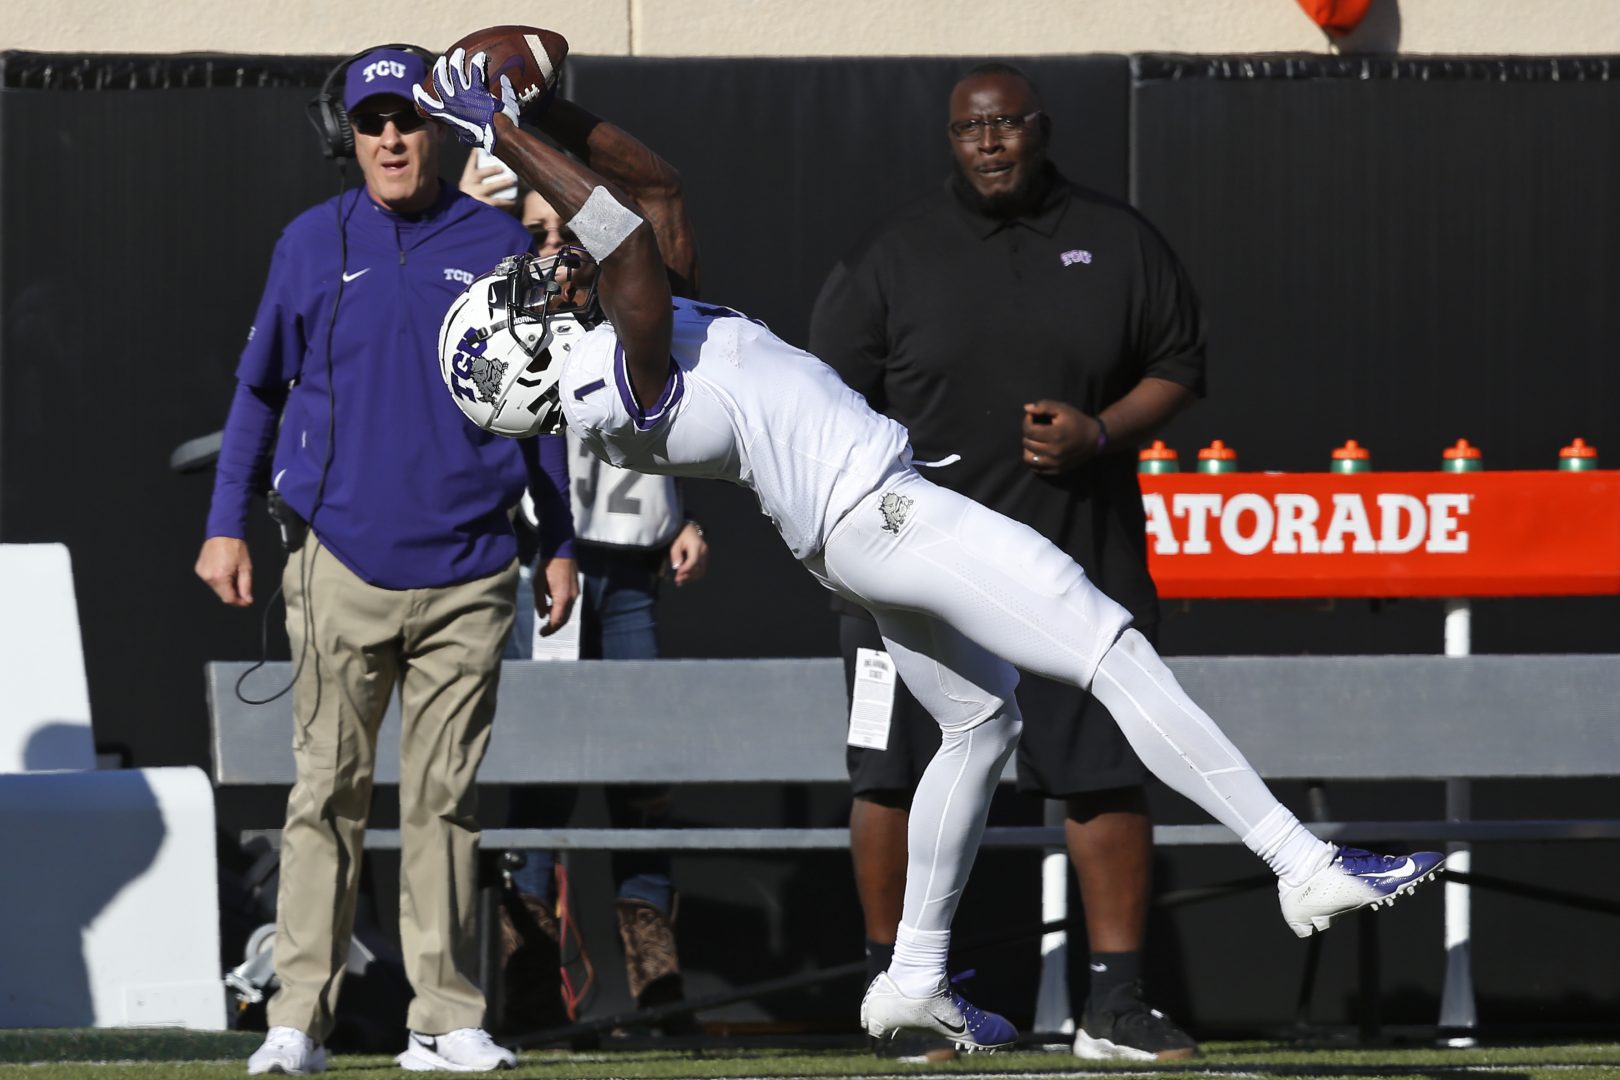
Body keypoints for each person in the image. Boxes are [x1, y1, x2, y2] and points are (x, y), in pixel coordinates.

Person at [413, 41, 1446, 1054]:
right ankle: (1297, 859)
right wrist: (495, 124)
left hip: (861, 529)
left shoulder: (627, 331)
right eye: (529, 298)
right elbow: (624, 241)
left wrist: (544, 109)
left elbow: (660, 195)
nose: (545, 270)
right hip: (885, 515)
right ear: (531, 359)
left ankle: (913, 978)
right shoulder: (606, 381)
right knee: (1107, 644)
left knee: (981, 724)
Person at [194, 47, 579, 1075]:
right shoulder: (309, 244)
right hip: (339, 565)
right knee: (324, 796)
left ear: (444, 130)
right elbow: (256, 395)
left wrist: (560, 538)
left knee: (445, 803)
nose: (392, 139)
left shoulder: (501, 242)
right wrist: (225, 522)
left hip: (470, 570)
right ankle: (297, 1020)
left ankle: (446, 1020)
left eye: (407, 119)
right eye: (372, 123)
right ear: (349, 136)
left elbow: (535, 406)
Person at [807, 62, 1200, 1061]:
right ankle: (902, 996)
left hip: (1077, 554)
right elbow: (818, 403)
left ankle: (1113, 1006)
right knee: (889, 777)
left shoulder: (1117, 241)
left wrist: (1100, 433)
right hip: (913, 572)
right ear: (951, 140)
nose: (987, 144)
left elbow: (1179, 367)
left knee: (1107, 771)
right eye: (968, 131)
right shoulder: (891, 257)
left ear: (1040, 129)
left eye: (1005, 126)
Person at [457, 160, 712, 1029]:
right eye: (536, 234)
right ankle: (531, 990)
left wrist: (682, 512)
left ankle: (659, 990)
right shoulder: (509, 308)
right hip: (548, 561)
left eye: (567, 231)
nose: (555, 247)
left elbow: (674, 398)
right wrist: (474, 204)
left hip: (634, 563)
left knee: (645, 774)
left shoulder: (624, 289)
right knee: (543, 774)